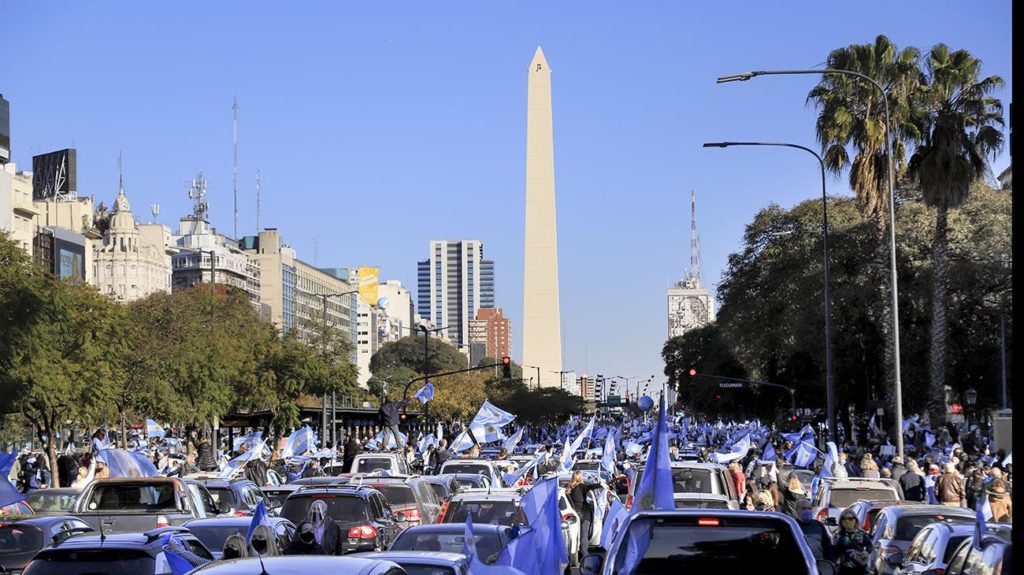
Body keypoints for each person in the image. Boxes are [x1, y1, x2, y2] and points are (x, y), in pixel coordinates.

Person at [566, 471, 604, 561]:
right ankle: (585, 555)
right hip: (585, 512)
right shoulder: (581, 486)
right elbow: (590, 487)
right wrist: (600, 484)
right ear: (580, 477)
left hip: (573, 514)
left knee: (575, 534)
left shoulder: (568, 488)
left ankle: (573, 552)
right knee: (584, 535)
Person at [833, 508, 871, 575]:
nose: (847, 521)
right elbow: (834, 552)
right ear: (841, 521)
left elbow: (870, 546)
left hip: (860, 570)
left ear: (855, 520)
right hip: (844, 570)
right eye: (844, 519)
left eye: (850, 518)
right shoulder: (838, 536)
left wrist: (866, 552)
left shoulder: (862, 534)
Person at [796, 498, 834, 563]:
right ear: (797, 510)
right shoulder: (792, 525)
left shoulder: (819, 525)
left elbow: (827, 547)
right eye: (804, 508)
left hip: (818, 564)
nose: (807, 511)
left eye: (809, 508)